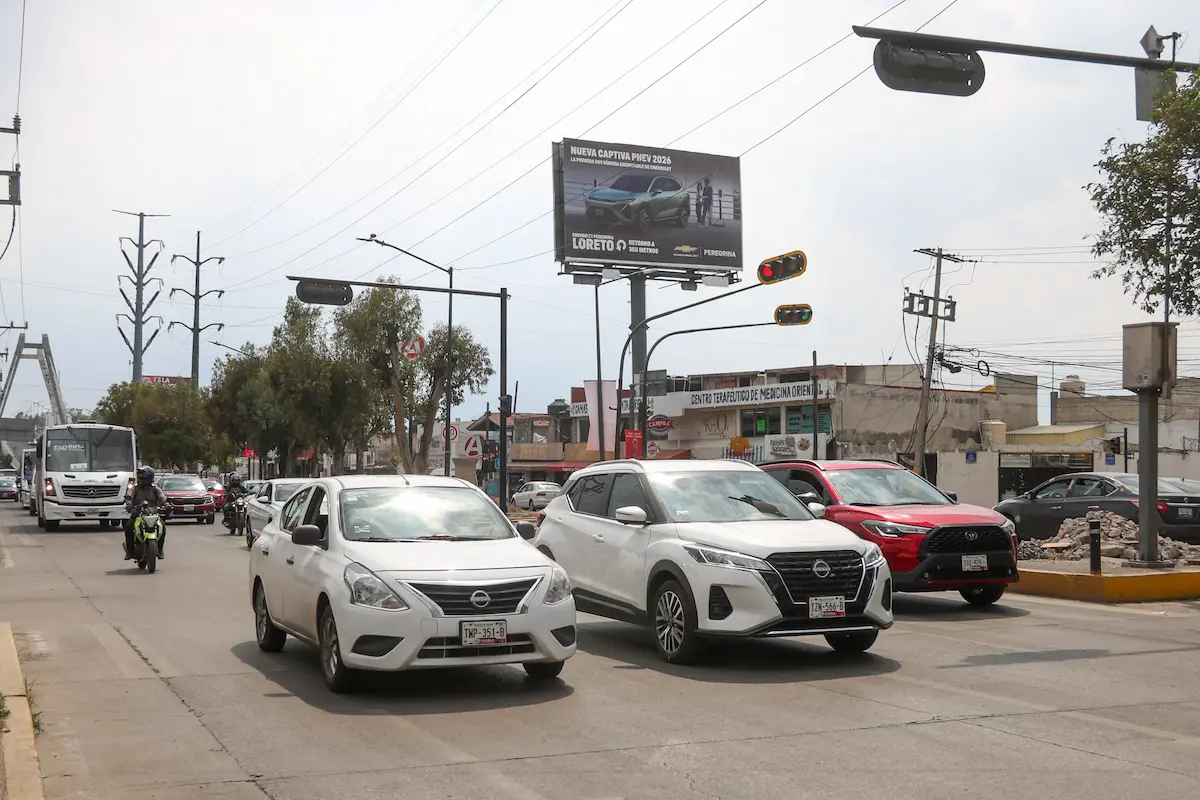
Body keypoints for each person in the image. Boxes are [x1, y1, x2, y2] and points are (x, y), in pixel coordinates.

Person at [124, 466, 168, 560]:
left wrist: (166, 504)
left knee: (163, 527)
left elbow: (162, 498)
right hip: (137, 514)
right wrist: (129, 505)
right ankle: (130, 551)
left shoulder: (155, 489)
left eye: (143, 478)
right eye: (140, 478)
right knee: (128, 527)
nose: (141, 480)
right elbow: (128, 496)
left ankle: (160, 550)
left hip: (153, 514)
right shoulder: (134, 488)